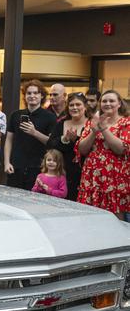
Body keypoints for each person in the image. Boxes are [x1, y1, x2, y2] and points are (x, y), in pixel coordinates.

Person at [76, 89, 130, 217]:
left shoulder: (126, 122)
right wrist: (94, 131)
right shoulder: (91, 122)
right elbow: (82, 150)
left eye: (112, 101)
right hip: (92, 176)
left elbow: (121, 149)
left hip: (116, 176)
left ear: (119, 104)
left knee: (115, 215)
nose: (108, 103)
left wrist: (104, 129)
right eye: (104, 101)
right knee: (91, 214)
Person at [3, 79, 54, 190]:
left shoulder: (49, 117)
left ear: (41, 96)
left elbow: (51, 143)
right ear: (25, 96)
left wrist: (34, 132)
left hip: (38, 168)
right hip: (16, 166)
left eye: (35, 93)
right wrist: (7, 162)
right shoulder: (16, 115)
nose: (32, 96)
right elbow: (9, 140)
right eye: (29, 93)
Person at [46, 91, 88, 200]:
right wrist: (64, 139)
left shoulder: (91, 124)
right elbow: (50, 144)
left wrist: (76, 140)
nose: (74, 108)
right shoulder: (61, 123)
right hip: (61, 173)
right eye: (71, 105)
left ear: (85, 107)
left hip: (84, 174)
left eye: (78, 104)